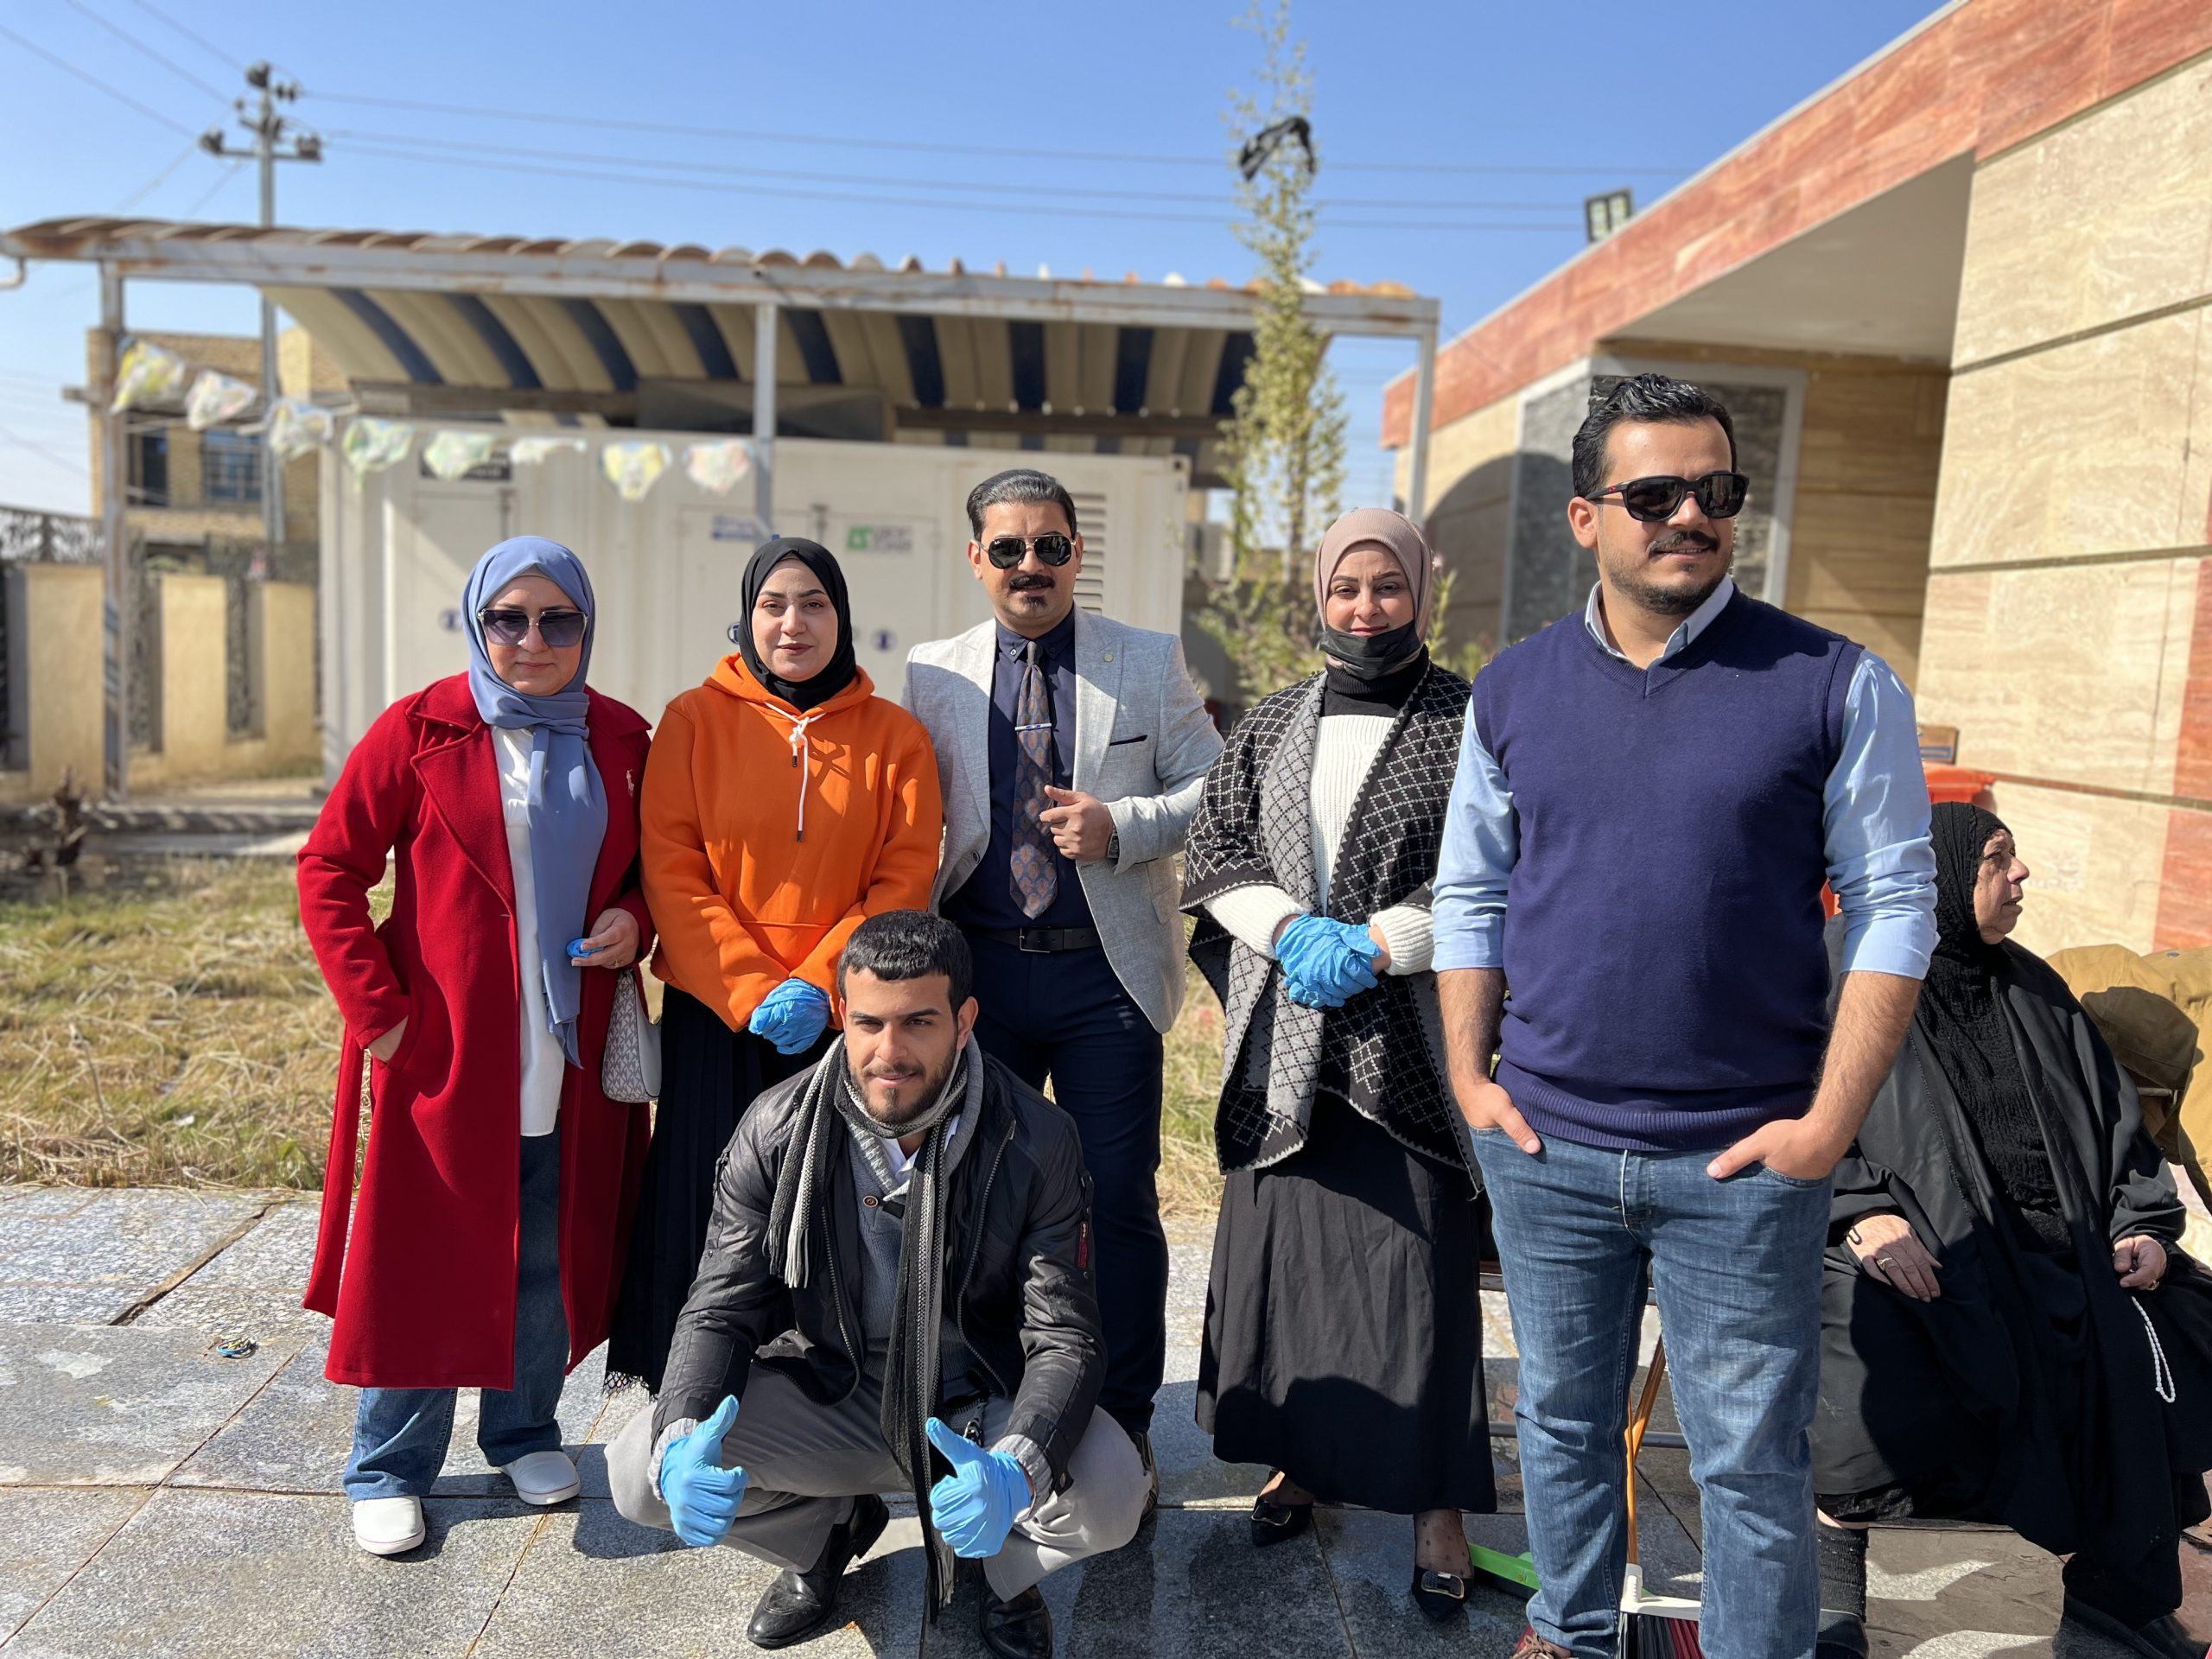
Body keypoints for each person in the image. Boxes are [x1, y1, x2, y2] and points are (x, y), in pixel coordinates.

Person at [1432, 372, 1937, 1659]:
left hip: (1743, 1159)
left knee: (1750, 1462)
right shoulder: (1512, 690)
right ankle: (1570, 1627)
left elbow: (1894, 903)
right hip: (1546, 1145)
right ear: (1585, 517)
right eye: (1654, 493)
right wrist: (1472, 1081)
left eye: (1716, 490)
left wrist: (1827, 1128)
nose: (1690, 516)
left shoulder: (1832, 681)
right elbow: (1471, 894)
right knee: (1559, 1421)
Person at [607, 911, 1148, 1659]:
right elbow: (720, 1308)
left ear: (964, 1021)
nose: (888, 1052)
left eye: (918, 1022)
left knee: (1114, 1490)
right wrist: (682, 1438)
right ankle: (821, 1538)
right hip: (836, 1387)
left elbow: (1064, 1335)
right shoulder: (774, 1127)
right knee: (640, 1472)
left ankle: (999, 1571)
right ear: (841, 1014)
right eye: (868, 1023)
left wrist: (1017, 1469)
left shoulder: (1039, 1138)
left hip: (977, 1398)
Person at [297, 536, 654, 1557]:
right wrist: (382, 1011)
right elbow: (329, 869)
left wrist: (635, 921)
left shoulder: (620, 736)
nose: (532, 640)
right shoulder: (420, 729)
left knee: (544, 1243)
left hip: (569, 1052)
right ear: (476, 622)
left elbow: (653, 874)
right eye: (508, 618)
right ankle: (388, 1465)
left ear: (586, 627)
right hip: (449, 1052)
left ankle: (522, 1431)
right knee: (424, 1252)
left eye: (558, 620)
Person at [1181, 507, 1493, 1621]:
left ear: (1421, 589)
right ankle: (1299, 1461)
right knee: (1292, 1270)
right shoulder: (1272, 719)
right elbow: (1217, 847)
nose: (1366, 607)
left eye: (1386, 585)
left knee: (1419, 1281)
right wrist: (1286, 931)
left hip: (1413, 1049)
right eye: (1346, 587)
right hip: (1289, 1040)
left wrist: (1377, 942)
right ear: (1319, 594)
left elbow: (1503, 866)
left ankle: (1436, 1509)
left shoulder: (1473, 719)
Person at [1813, 804, 2212, 1659]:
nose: (2020, 873)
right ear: (1945, 876)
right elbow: (1787, 1112)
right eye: (1999, 858)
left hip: (2059, 1246)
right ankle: (1828, 1587)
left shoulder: (2034, 987)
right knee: (1863, 1324)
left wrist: (2142, 1225)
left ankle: (2116, 1597)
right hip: (1910, 1240)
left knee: (2164, 1328)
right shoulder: (1845, 969)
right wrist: (1858, 1212)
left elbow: (2116, 1130)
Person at [904, 467, 1224, 1493]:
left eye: (1049, 546)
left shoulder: (1146, 658)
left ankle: (1123, 1421)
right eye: (1008, 548)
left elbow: (1217, 786)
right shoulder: (932, 674)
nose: (1030, 565)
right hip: (980, 983)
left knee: (1116, 1204)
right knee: (977, 1201)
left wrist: (1121, 826)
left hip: (1104, 980)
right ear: (976, 558)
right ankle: (994, 1407)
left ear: (1076, 553)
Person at [608, 537, 942, 1395]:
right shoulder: (693, 720)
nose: (793, 624)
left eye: (814, 604)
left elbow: (902, 877)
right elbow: (670, 866)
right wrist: (753, 986)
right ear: (747, 617)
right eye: (773, 605)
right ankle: (689, 1391)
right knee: (711, 1193)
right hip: (717, 1011)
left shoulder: (895, 738)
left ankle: (826, 1385)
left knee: (834, 1201)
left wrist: (823, 984)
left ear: (842, 616)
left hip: (845, 1017)